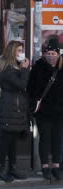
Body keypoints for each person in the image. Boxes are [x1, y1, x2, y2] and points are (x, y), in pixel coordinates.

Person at [27, 38, 63, 180]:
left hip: (60, 111)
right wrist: (35, 100)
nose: (50, 56)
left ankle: (56, 166)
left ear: (58, 54)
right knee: (45, 138)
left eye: (53, 53)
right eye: (48, 53)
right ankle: (45, 167)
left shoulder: (61, 67)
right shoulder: (39, 67)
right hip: (43, 111)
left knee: (57, 139)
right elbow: (30, 88)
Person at [0, 40, 30, 182]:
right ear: (12, 52)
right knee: (6, 140)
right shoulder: (8, 69)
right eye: (19, 50)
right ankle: (0, 169)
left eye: (22, 50)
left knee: (13, 140)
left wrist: (22, 69)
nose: (21, 53)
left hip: (17, 109)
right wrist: (25, 69)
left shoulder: (15, 68)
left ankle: (12, 167)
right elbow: (22, 84)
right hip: (9, 109)